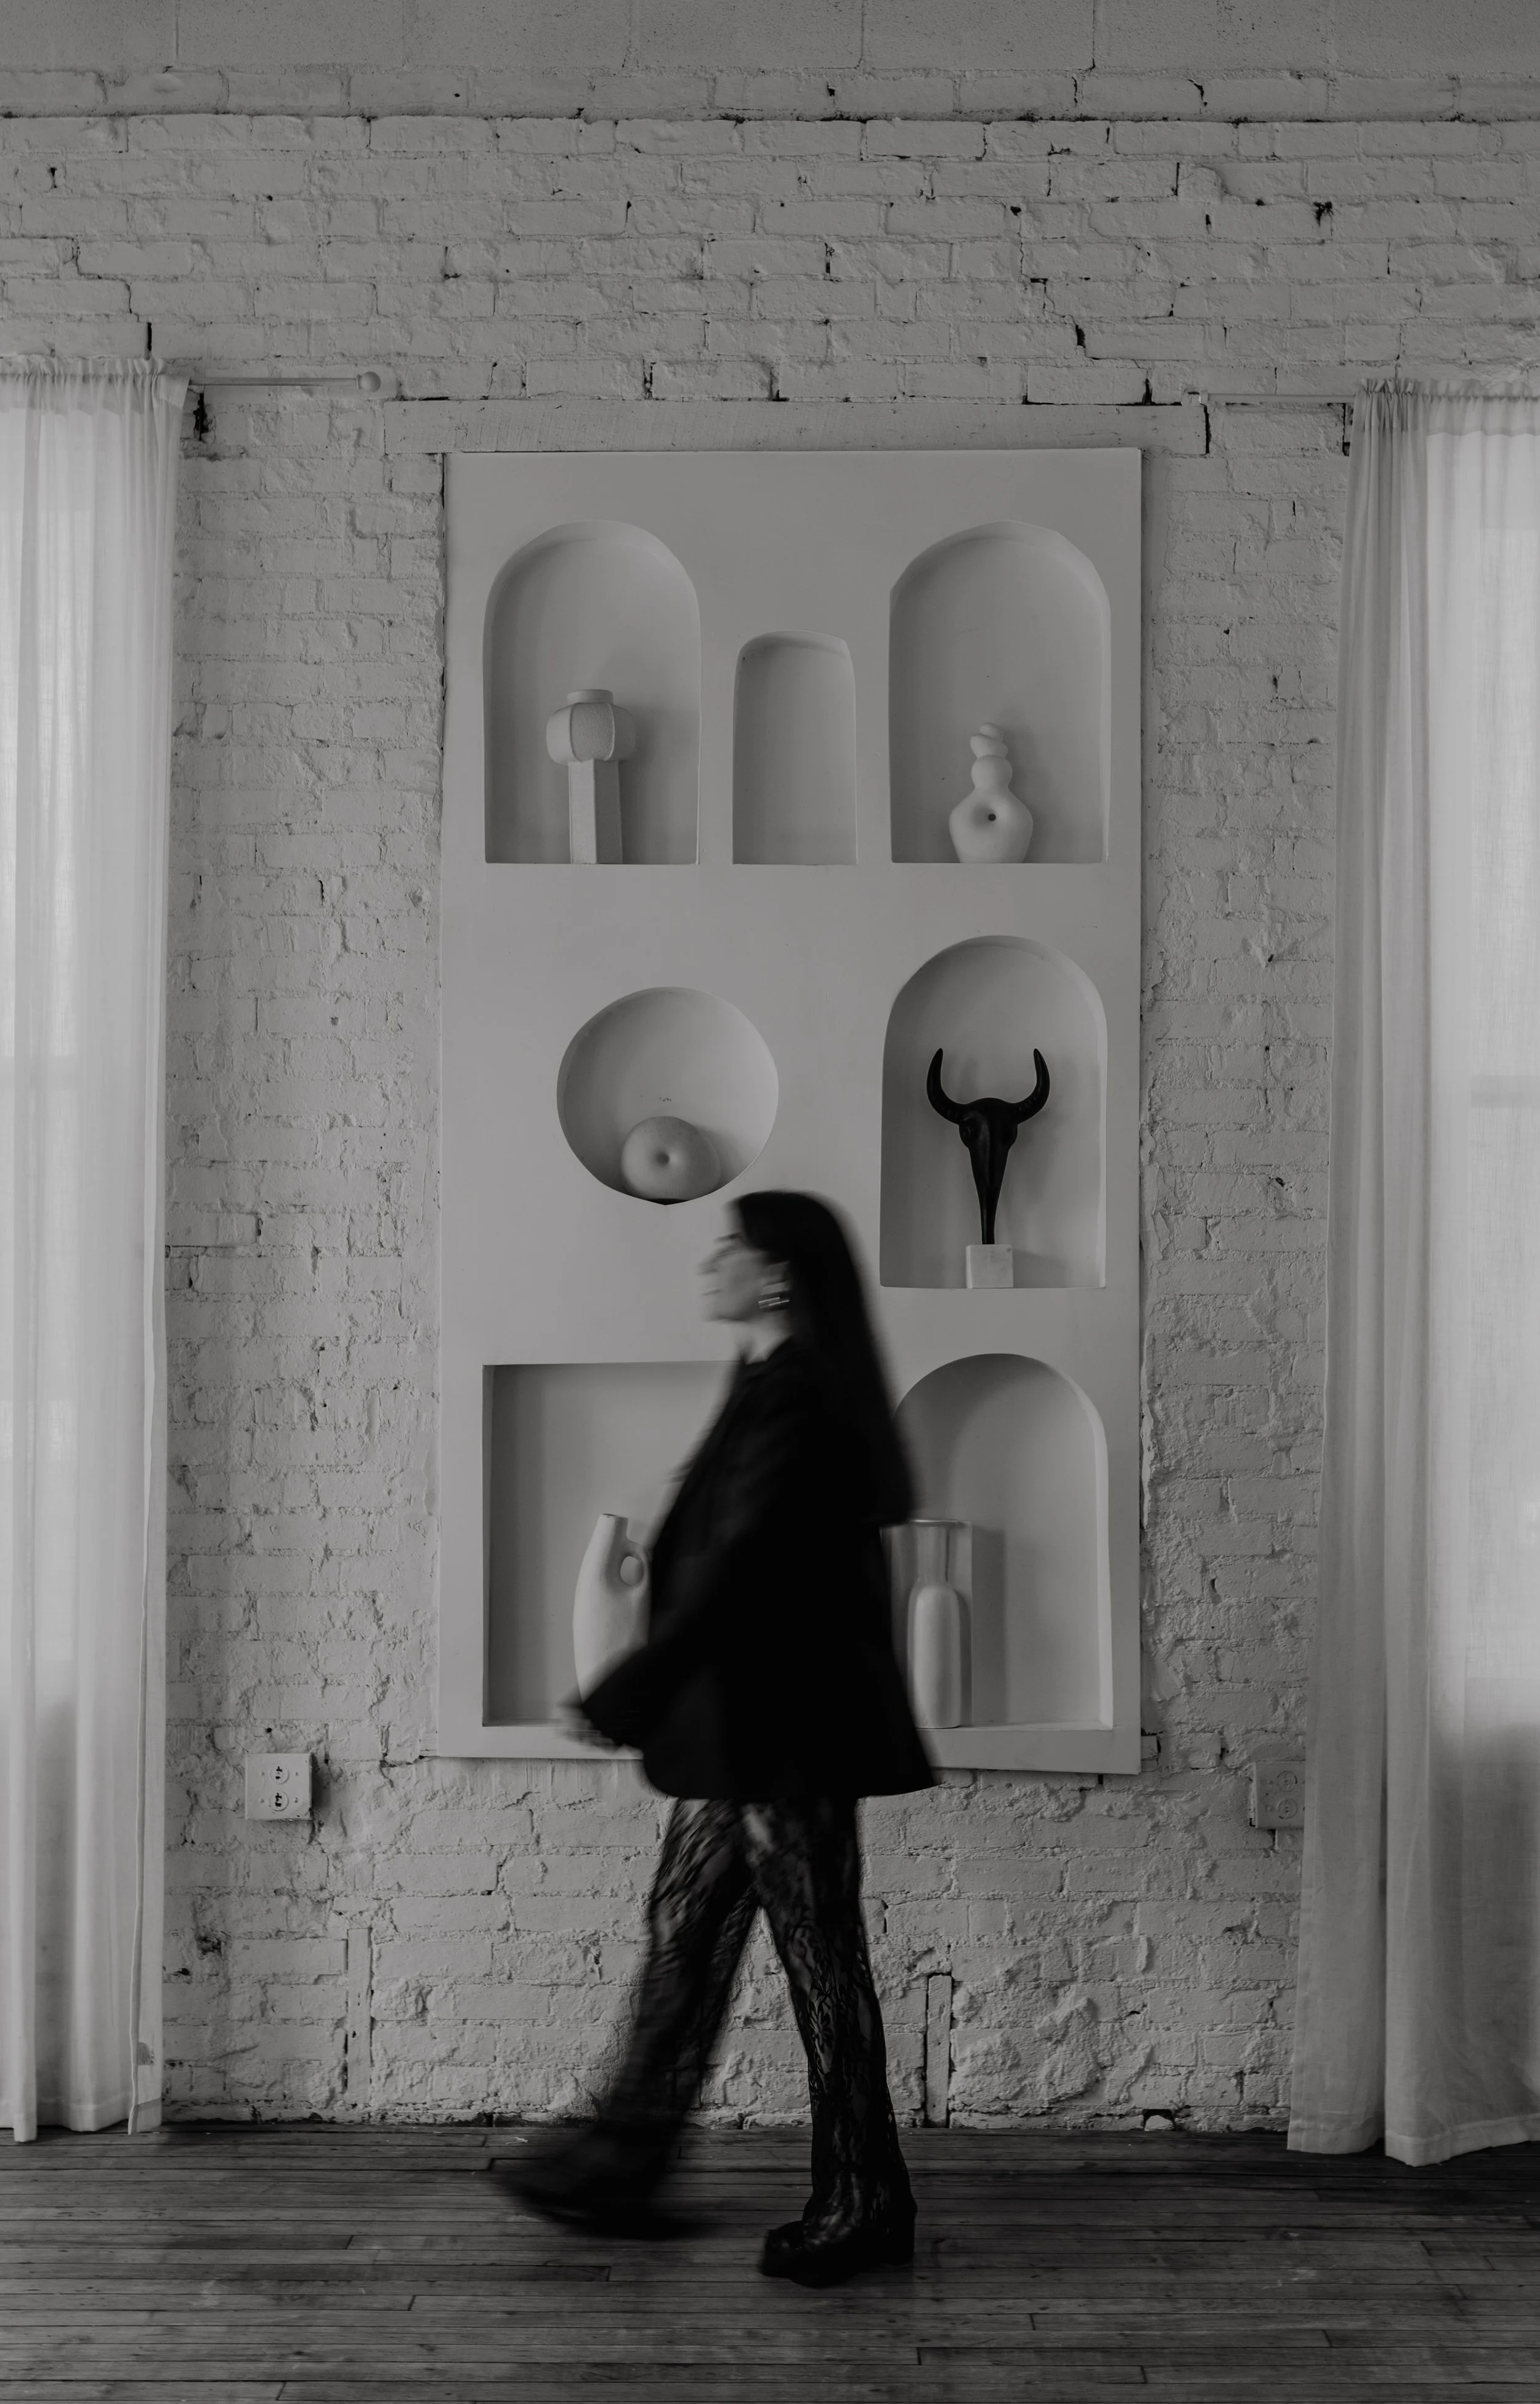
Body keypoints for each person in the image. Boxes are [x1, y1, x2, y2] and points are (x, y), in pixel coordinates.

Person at [505, 1190, 934, 2288]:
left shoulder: (797, 1393)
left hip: (786, 1730)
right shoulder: (767, 1383)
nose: (710, 1261)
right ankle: (622, 2158)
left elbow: (740, 1577)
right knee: (685, 1927)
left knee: (821, 1958)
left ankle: (864, 2199)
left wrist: (623, 1692)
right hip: (750, 1725)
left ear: (779, 1272)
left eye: (729, 1247)